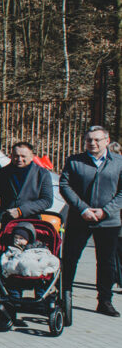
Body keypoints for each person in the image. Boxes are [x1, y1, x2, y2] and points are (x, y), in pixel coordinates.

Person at [59, 125, 122, 318]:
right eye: (89, 140)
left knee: (106, 262)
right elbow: (64, 185)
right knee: (70, 259)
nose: (92, 143)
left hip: (108, 221)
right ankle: (63, 296)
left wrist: (106, 211)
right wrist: (83, 209)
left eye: (97, 140)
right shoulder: (74, 161)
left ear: (107, 141)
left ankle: (105, 301)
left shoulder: (118, 162)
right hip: (80, 219)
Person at [0, 142, 54, 222]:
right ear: (11, 156)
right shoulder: (1, 173)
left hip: (31, 221)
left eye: (23, 156)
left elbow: (47, 200)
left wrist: (21, 211)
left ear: (32, 157)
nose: (19, 159)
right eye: (16, 156)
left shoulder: (42, 174)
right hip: (7, 221)